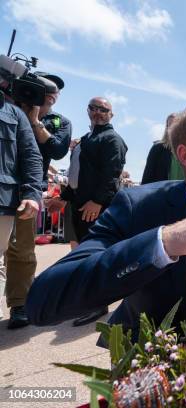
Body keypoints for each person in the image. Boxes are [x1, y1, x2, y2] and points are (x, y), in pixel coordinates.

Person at [26, 100, 186, 343]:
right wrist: (164, 242)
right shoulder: (139, 207)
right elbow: (43, 301)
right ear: (185, 155)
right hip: (160, 358)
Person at [45, 96, 127, 326]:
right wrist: (62, 198)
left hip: (96, 209)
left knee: (96, 256)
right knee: (82, 255)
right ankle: (87, 299)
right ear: (88, 110)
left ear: (111, 114)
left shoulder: (112, 139)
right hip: (80, 206)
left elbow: (111, 175)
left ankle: (97, 304)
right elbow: (76, 176)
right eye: (94, 108)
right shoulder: (85, 140)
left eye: (104, 109)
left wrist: (98, 202)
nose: (99, 112)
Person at [3, 72, 69, 329]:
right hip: (3, 183)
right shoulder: (6, 108)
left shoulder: (58, 121)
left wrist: (32, 121)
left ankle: (19, 303)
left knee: (21, 249)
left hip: (25, 190)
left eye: (51, 91)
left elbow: (57, 150)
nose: (46, 94)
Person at [0, 89, 43, 326]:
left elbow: (32, 156)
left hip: (13, 197)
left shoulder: (16, 115)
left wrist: (32, 193)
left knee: (21, 252)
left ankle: (19, 303)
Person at [141, 113, 185, 184]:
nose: (172, 128)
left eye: (175, 125)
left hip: (182, 193)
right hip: (163, 193)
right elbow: (147, 177)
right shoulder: (157, 148)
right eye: (169, 125)